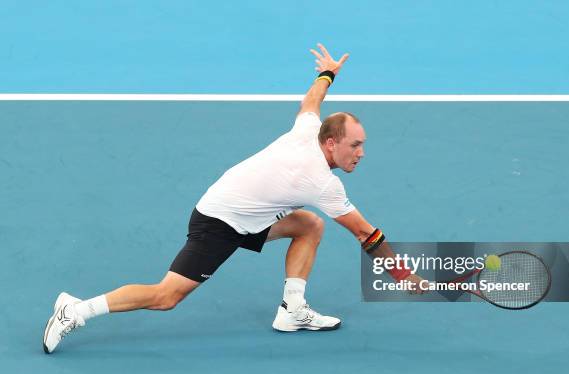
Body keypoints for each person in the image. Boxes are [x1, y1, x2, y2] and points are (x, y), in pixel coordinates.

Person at [43, 43, 425, 354]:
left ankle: (293, 309)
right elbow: (365, 234)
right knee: (166, 296)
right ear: (331, 143)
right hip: (220, 222)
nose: (360, 153)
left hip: (248, 211)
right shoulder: (323, 183)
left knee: (309, 224)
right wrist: (403, 276)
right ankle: (74, 311)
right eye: (354, 145)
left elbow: (311, 102)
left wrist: (327, 74)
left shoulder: (309, 129)